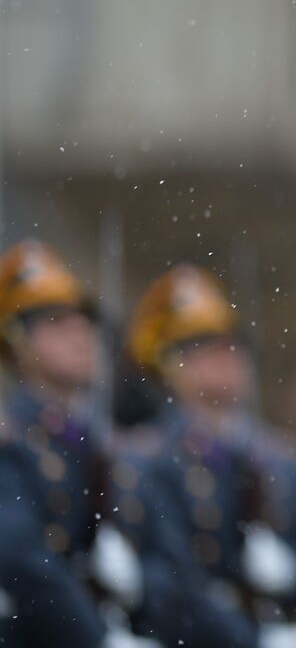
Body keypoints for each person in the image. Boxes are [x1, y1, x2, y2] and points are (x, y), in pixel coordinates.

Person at [124, 264, 296, 647]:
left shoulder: (284, 459)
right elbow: (170, 585)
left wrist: (293, 573)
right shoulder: (147, 459)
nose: (225, 357)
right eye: (202, 347)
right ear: (168, 364)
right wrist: (253, 640)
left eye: (233, 344)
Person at [0, 240, 162, 647]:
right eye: (57, 323)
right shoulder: (12, 442)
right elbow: (24, 565)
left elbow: (167, 564)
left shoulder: (104, 445)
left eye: (84, 322)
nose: (81, 335)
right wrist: (99, 639)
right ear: (17, 341)